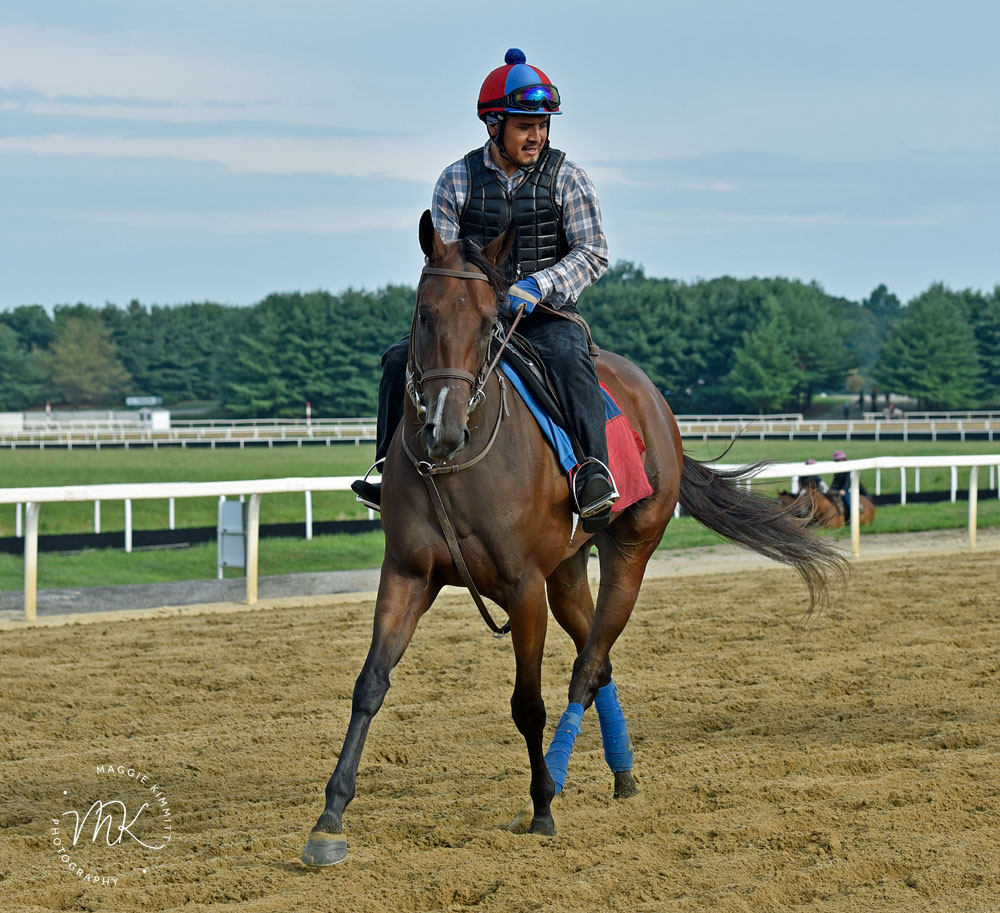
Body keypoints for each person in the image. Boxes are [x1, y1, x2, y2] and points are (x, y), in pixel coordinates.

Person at [353, 48, 617, 526]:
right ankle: (386, 469)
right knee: (397, 361)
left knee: (570, 356)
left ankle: (592, 472)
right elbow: (445, 259)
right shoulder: (455, 180)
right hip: (475, 318)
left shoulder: (570, 178)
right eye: (524, 126)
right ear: (494, 125)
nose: (536, 136)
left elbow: (593, 252)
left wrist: (540, 283)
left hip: (544, 317)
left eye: (542, 125)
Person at [829, 450, 869, 517]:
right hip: (836, 489)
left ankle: (853, 517)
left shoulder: (848, 467)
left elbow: (847, 481)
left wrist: (844, 489)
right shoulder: (837, 468)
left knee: (849, 504)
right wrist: (831, 488)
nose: (835, 462)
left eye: (836, 461)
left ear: (841, 460)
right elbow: (835, 481)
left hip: (845, 490)